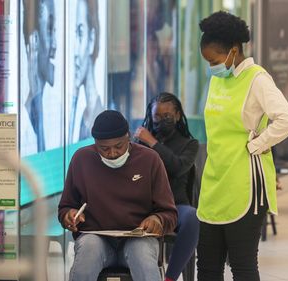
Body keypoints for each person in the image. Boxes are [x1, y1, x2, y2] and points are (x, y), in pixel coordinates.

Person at [197, 11, 288, 281]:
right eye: (207, 61)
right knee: (206, 267)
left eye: (215, 60)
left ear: (233, 51)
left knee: (242, 267)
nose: (211, 66)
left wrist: (259, 144)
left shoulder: (257, 79)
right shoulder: (217, 79)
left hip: (245, 186)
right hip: (214, 182)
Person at [58, 110, 178, 281]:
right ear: (95, 143)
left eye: (119, 146)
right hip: (96, 238)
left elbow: (170, 214)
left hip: (138, 238)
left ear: (128, 137)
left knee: (142, 254)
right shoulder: (81, 159)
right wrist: (68, 216)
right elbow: (65, 207)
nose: (112, 153)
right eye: (104, 149)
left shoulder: (150, 160)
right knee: (88, 251)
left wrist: (158, 220)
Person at [134, 92, 200, 281]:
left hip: (175, 205)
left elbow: (177, 167)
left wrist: (153, 143)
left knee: (193, 218)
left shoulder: (190, 144)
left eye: (167, 117)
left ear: (178, 115)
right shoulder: (140, 143)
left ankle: (169, 278)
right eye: (157, 117)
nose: (161, 121)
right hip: (144, 206)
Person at [22, 0, 57, 152]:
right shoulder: (22, 120)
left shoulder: (54, 107)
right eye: (49, 31)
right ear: (34, 40)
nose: (55, 44)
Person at [69, 0, 104, 142]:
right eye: (73, 36)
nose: (75, 52)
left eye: (80, 34)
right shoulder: (83, 114)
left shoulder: (98, 116)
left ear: (91, 39)